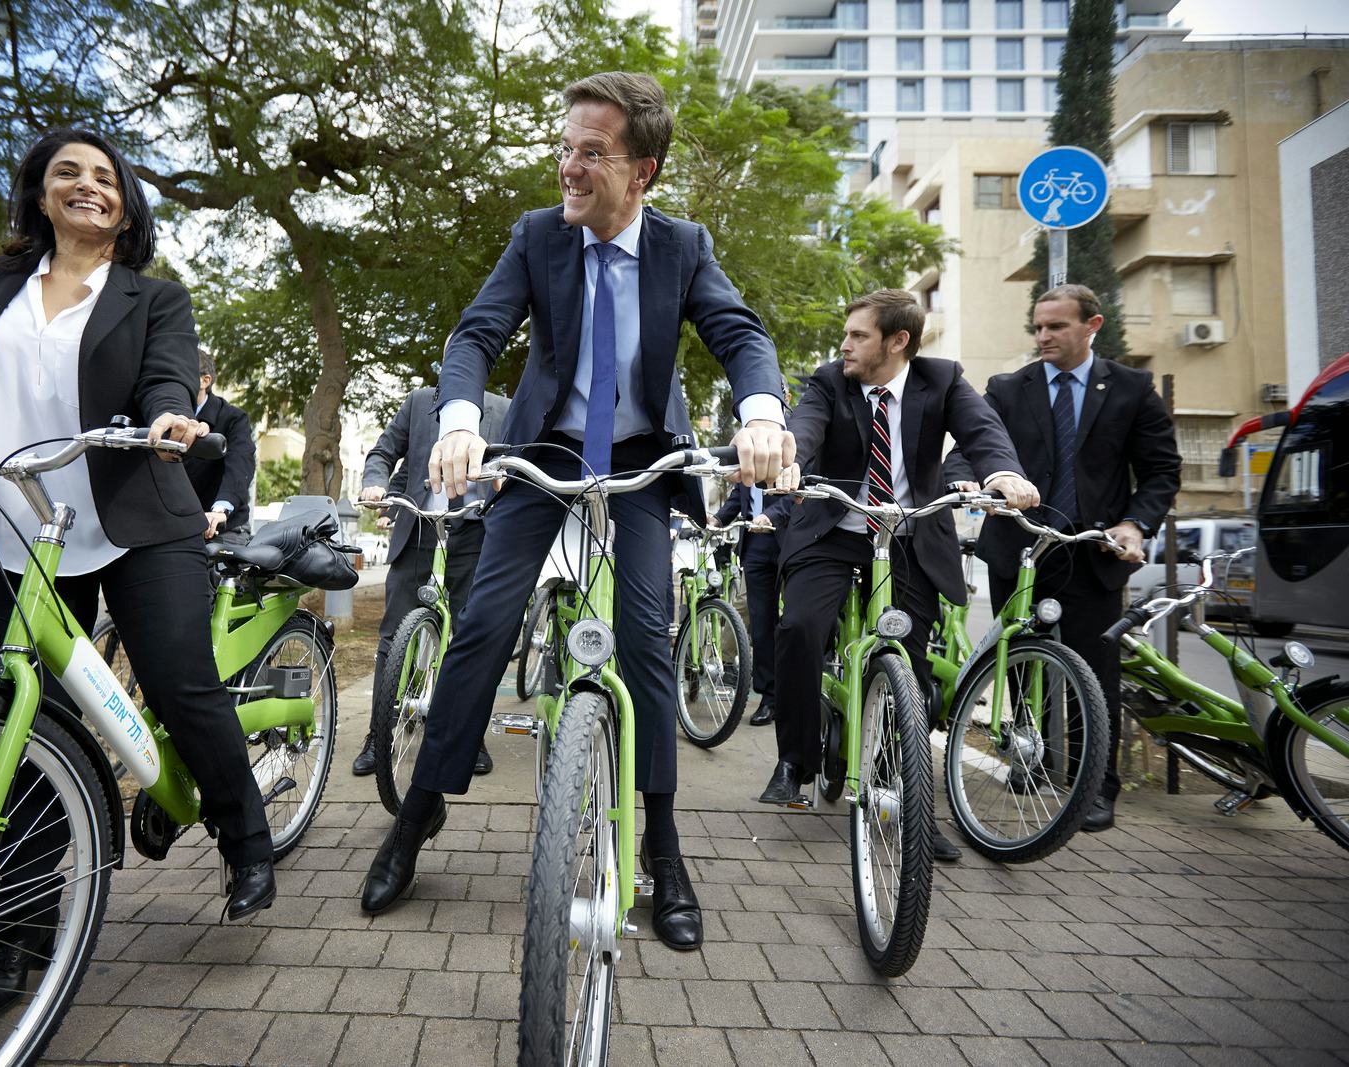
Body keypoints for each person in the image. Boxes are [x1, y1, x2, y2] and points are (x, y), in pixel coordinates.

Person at [360, 72, 793, 954]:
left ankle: (663, 848)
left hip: (639, 457)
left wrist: (762, 416)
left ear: (645, 172)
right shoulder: (535, 239)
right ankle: (421, 810)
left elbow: (740, 335)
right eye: (565, 148)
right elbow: (476, 335)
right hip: (545, 452)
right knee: (482, 623)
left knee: (645, 639)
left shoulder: (683, 245)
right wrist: (457, 422)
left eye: (592, 152)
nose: (569, 167)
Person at [0, 128, 275, 1020]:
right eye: (69, 172)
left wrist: (172, 417)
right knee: (31, 735)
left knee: (182, 681)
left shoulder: (153, 296)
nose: (87, 186)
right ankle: (20, 942)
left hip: (137, 519)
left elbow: (167, 381)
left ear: (126, 204)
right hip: (21, 531)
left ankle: (244, 835)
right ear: (41, 191)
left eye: (105, 177)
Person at [761, 289, 1039, 865]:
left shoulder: (943, 379)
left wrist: (1005, 473)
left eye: (859, 335)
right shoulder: (829, 380)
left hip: (911, 534)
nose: (845, 344)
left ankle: (905, 803)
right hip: (834, 531)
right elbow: (805, 427)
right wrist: (789, 457)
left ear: (898, 341)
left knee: (909, 668)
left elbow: (982, 431)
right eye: (847, 333)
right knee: (801, 629)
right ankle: (796, 759)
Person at [946, 283, 1180, 833]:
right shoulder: (1008, 387)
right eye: (1038, 327)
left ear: (1091, 326)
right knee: (1022, 665)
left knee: (1093, 675)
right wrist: (972, 489)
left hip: (1093, 552)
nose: (1044, 336)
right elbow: (967, 452)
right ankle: (1030, 760)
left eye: (1056, 326)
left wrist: (1134, 523)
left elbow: (1161, 471)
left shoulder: (1130, 388)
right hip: (1019, 548)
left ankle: (1094, 787)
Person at [351, 384, 509, 777]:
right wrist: (375, 482)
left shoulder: (503, 409)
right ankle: (378, 734)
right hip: (418, 527)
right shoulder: (420, 402)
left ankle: (469, 736)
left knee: (473, 635)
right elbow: (383, 451)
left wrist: (506, 480)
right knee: (392, 636)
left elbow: (516, 460)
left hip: (475, 530)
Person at [711, 479, 782, 726]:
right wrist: (717, 520)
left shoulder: (795, 442)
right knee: (761, 625)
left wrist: (770, 515)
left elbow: (798, 491)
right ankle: (769, 698)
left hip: (793, 538)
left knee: (796, 622)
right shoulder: (748, 451)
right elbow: (739, 496)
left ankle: (799, 691)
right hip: (755, 544)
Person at [183, 348, 256, 542]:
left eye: (181, 374)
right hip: (172, 526)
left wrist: (220, 511)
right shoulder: (158, 418)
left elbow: (240, 465)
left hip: (224, 527)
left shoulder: (234, 419)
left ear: (204, 381)